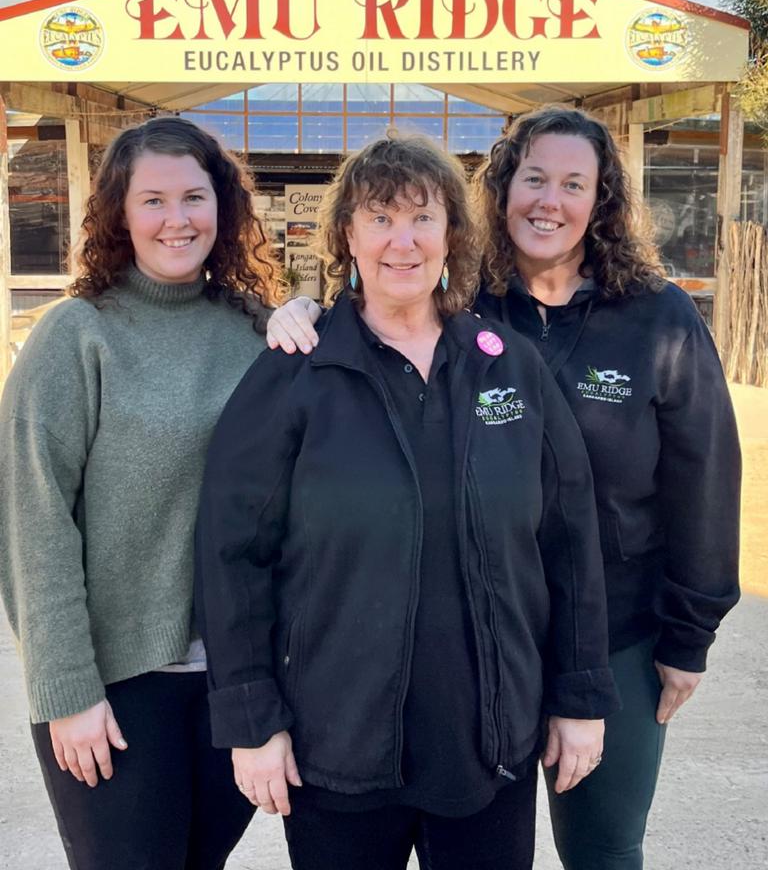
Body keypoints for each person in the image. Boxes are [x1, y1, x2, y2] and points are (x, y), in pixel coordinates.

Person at [265, 106, 741, 870]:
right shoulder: (460, 305)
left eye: (574, 184)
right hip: (478, 634)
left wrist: (689, 634)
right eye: (534, 179)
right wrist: (298, 311)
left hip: (611, 631)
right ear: (501, 189)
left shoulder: (658, 319)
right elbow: (372, 313)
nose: (549, 201)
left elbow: (705, 482)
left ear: (601, 201)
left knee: (604, 845)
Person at [195, 133, 620, 870]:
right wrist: (251, 721)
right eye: (380, 217)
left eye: (423, 218)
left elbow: (569, 540)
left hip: (487, 743)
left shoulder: (508, 367)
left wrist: (581, 697)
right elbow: (232, 555)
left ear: (452, 234)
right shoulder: (296, 372)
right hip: (340, 747)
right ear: (347, 236)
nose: (403, 240)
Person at [0, 116, 283, 870]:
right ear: (119, 214)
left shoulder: (253, 328)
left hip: (232, 684)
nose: (176, 219)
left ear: (222, 207)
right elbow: (33, 520)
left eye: (194, 197)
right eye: (152, 200)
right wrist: (64, 689)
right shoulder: (77, 335)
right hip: (120, 687)